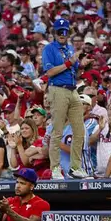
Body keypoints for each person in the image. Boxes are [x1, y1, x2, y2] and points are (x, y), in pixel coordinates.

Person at [42, 18, 90, 180]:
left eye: (65, 31)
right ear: (54, 33)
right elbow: (49, 72)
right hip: (57, 89)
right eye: (59, 31)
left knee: (80, 130)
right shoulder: (49, 49)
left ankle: (75, 167)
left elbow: (75, 71)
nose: (62, 34)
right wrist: (70, 62)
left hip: (73, 89)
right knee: (57, 131)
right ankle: (55, 168)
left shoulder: (69, 48)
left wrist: (82, 65)